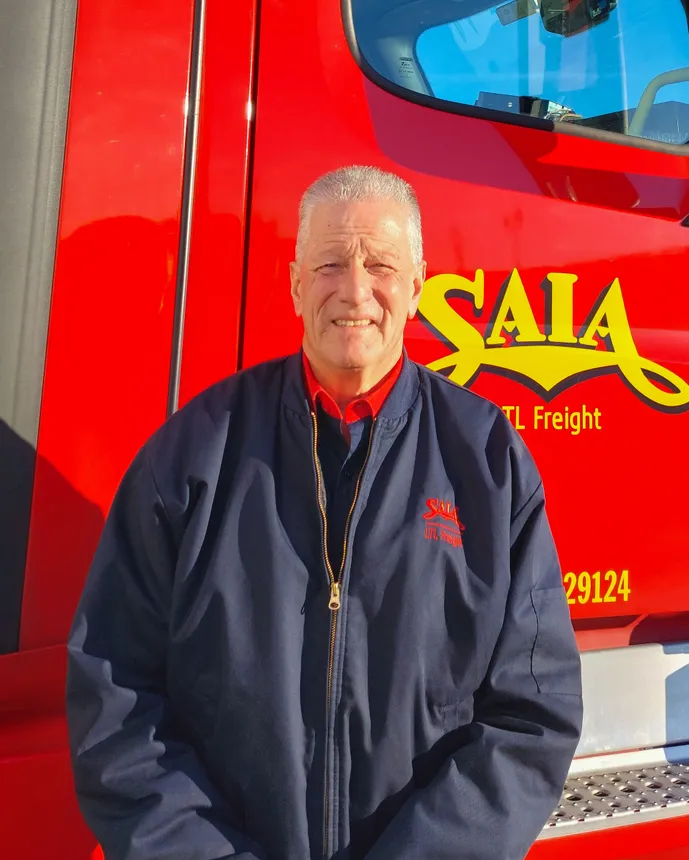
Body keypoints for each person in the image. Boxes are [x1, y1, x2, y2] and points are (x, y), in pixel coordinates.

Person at [66, 165, 583, 860]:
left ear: (418, 287)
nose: (355, 291)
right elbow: (114, 694)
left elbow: (532, 715)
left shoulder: (486, 458)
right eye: (331, 263)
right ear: (295, 283)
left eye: (380, 266)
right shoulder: (193, 453)